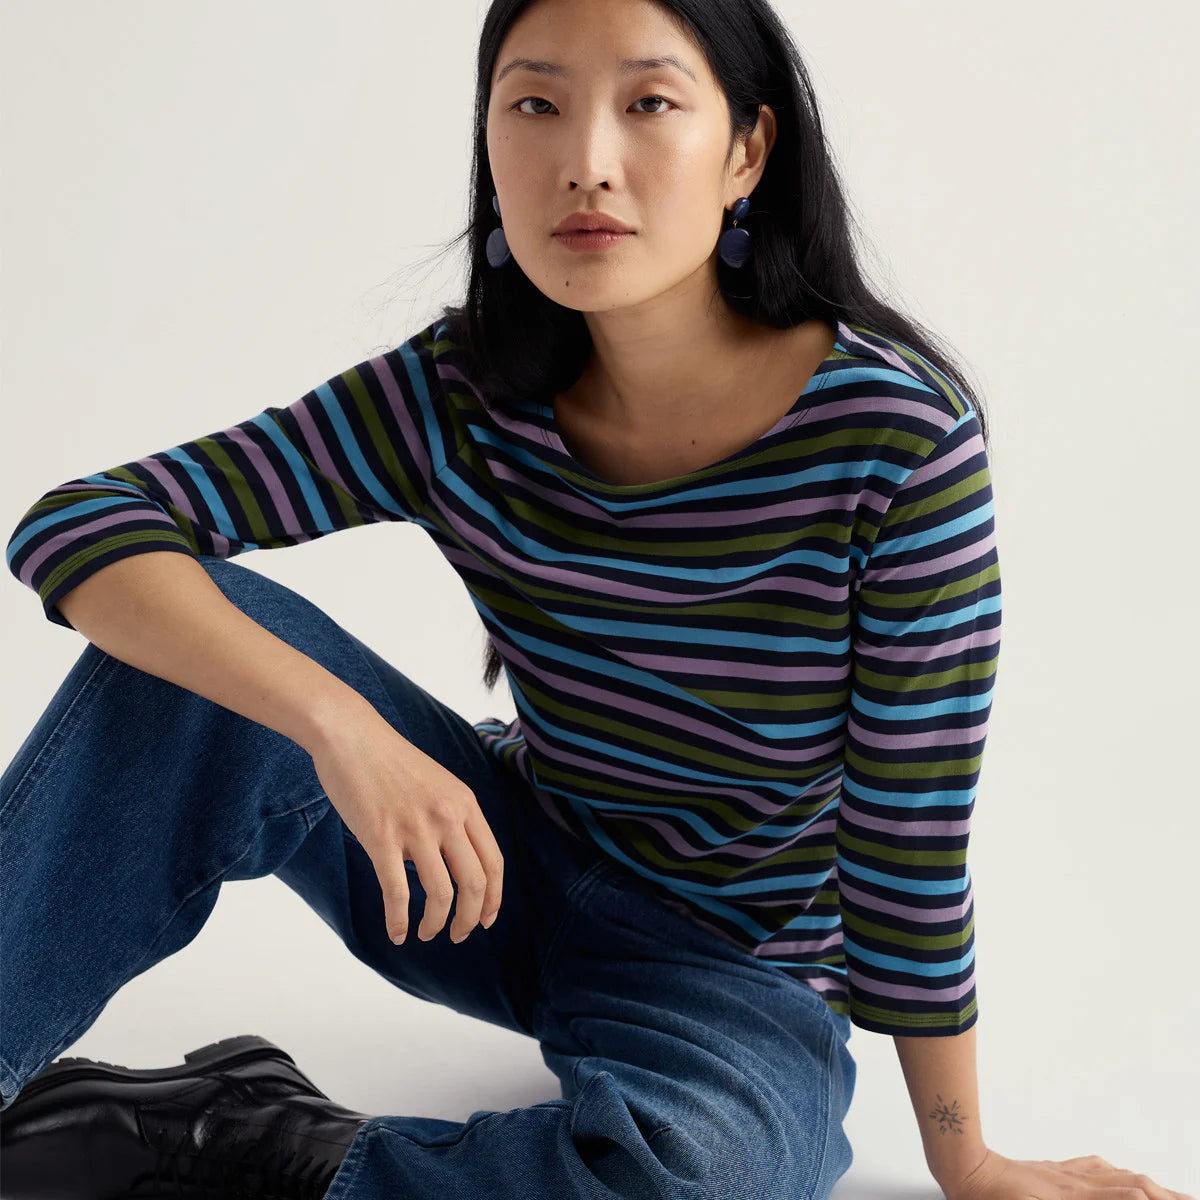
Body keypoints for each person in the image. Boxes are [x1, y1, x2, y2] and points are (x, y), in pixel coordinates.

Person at [0, 1, 1012, 1199]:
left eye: (648, 103)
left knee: (696, 1182)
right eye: (536, 104)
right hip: (485, 873)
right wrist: (343, 730)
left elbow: (907, 836)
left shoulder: (897, 442)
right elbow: (82, 524)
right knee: (186, 660)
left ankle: (256, 1138)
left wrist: (965, 1159)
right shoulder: (456, 395)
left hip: (731, 964)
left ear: (747, 151)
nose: (586, 160)